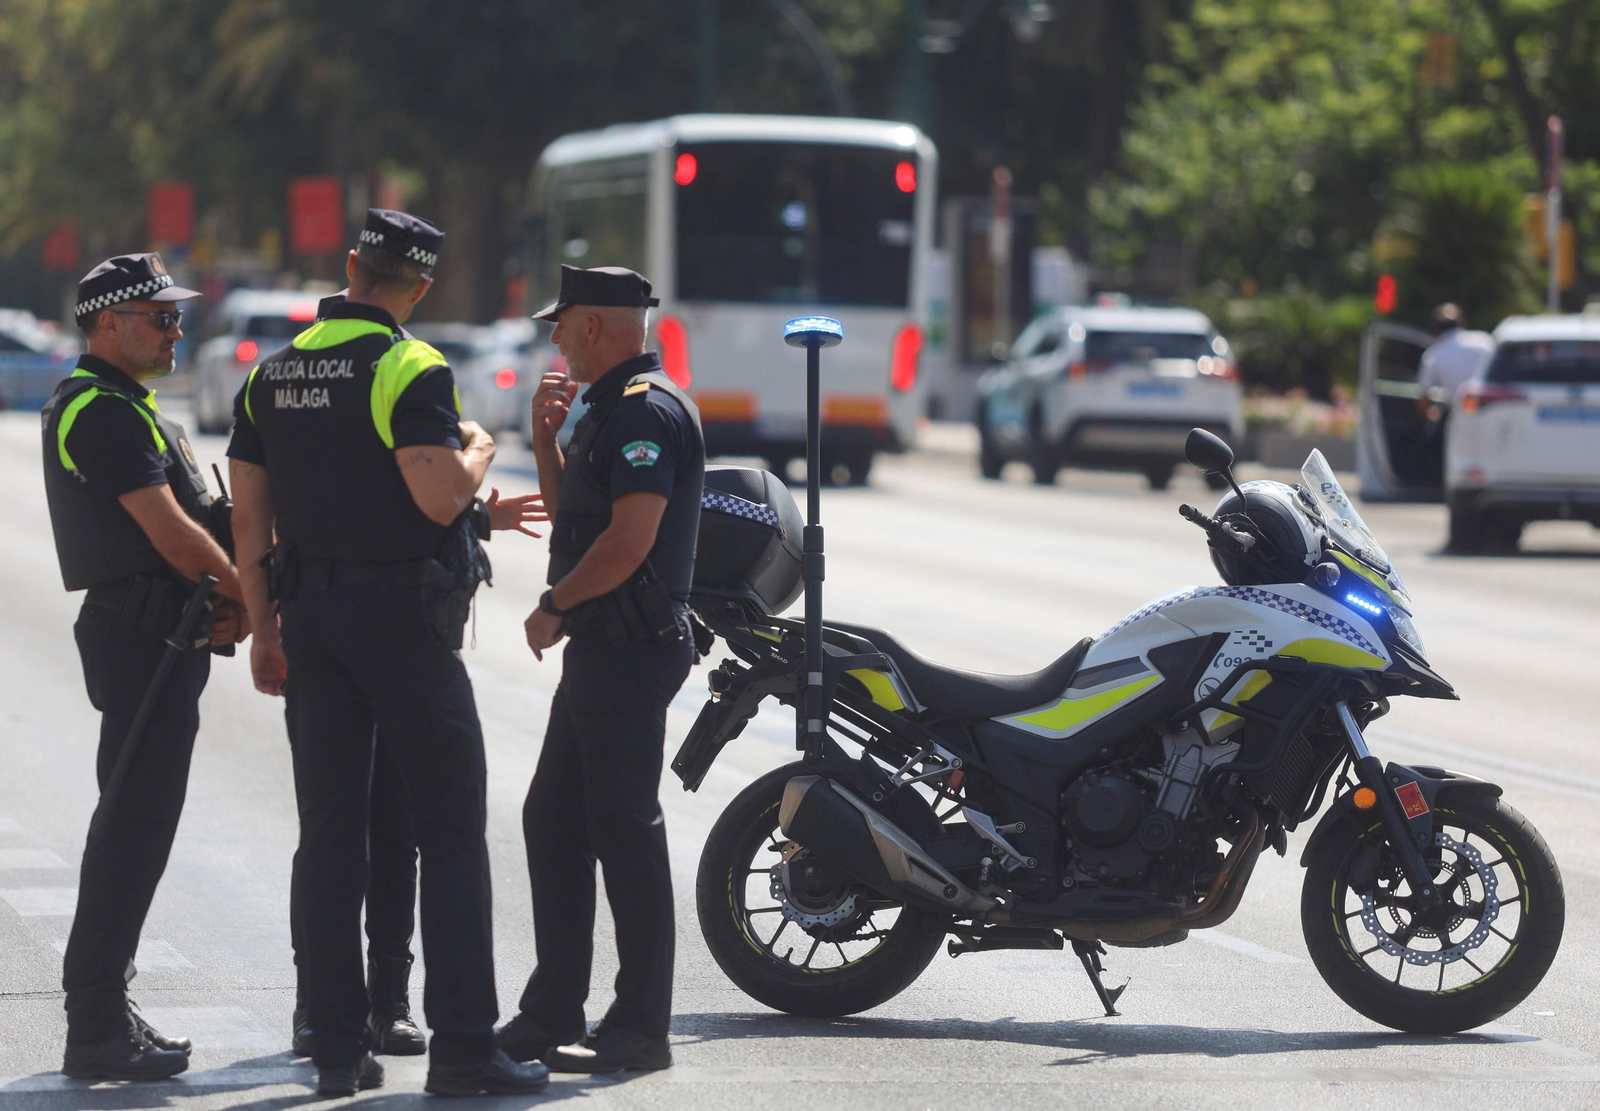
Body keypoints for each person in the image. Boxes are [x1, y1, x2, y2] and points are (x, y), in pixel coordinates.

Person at [225, 209, 549, 1098]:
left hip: (312, 617)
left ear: (348, 267)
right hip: (400, 622)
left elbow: (248, 513)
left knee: (328, 836)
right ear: (422, 287)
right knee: (448, 829)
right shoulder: (409, 364)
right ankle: (465, 1050)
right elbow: (443, 496)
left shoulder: (274, 372)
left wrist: (263, 626)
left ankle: (335, 1047)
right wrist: (479, 445)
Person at [42, 253, 250, 1080]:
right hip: (143, 638)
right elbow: (170, 533)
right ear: (105, 323)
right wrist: (250, 602)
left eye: (176, 316)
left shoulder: (131, 405)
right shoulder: (99, 409)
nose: (176, 329)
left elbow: (201, 518)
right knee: (131, 827)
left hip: (166, 633)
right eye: (158, 316)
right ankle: (94, 1020)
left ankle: (105, 1002)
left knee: (141, 827)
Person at [498, 265, 704, 1074]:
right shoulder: (608, 407)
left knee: (624, 829)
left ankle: (640, 1026)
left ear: (591, 324)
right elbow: (573, 517)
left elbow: (628, 541)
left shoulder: (646, 409)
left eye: (561, 323)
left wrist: (553, 603)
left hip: (628, 649)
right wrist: (548, 447)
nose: (552, 338)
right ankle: (553, 1009)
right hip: (602, 649)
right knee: (553, 819)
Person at [1416, 303, 1495, 420]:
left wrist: (1429, 414)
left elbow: (1423, 398)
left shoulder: (1434, 355)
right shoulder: (1484, 341)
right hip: (1495, 411)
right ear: (1461, 324)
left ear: (1437, 330)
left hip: (1461, 417)